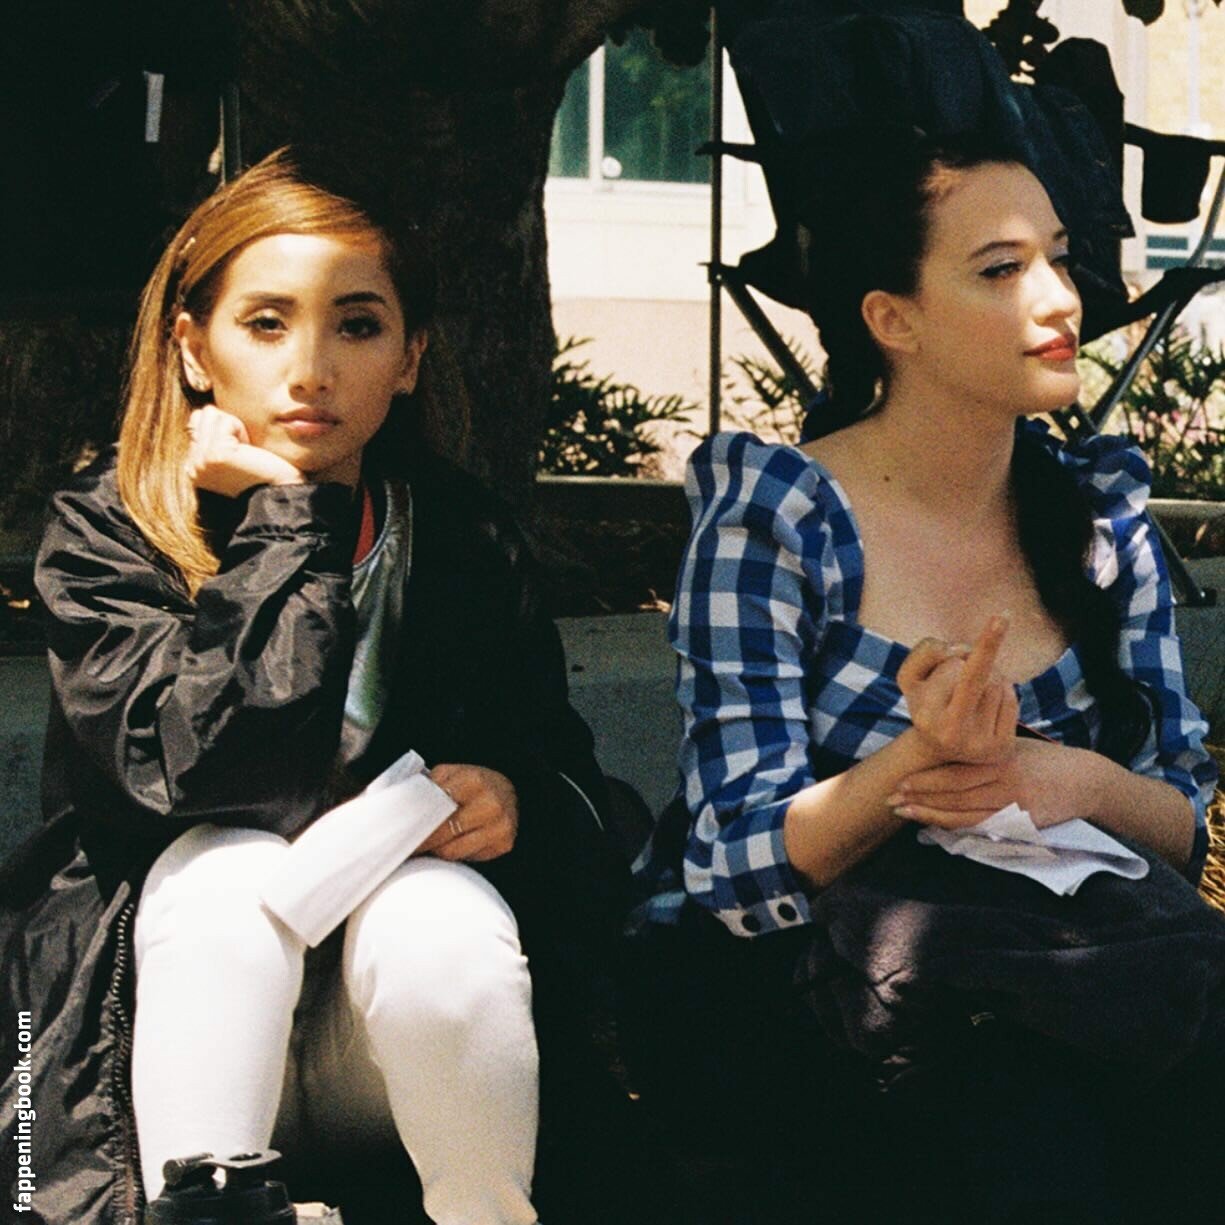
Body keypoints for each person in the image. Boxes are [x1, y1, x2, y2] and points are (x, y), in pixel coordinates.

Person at [0, 147, 628, 1225]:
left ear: (411, 357)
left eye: (357, 325)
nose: (311, 368)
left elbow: (576, 788)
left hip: (384, 1054)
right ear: (192, 349)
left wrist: (515, 800)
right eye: (265, 323)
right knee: (225, 872)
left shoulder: (461, 538)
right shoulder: (110, 536)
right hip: (157, 1033)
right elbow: (205, 774)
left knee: (439, 917)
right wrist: (284, 517)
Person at [623, 131, 1222, 1225]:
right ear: (890, 319)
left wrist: (1071, 781)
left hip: (1077, 975)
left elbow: (1183, 821)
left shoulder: (1097, 520)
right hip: (820, 1002)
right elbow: (732, 870)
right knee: (1020, 1124)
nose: (1060, 298)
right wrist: (916, 766)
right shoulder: (780, 519)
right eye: (1000, 269)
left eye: (1059, 256)